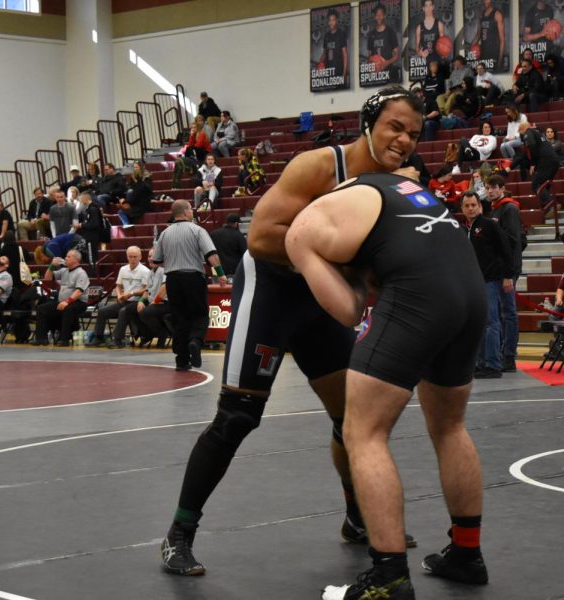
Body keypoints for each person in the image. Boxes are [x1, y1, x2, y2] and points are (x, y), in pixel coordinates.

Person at [159, 86, 424, 577]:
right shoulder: (321, 166)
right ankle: (179, 533)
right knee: (237, 416)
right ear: (369, 123)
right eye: (395, 127)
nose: (405, 140)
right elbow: (260, 238)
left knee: (354, 419)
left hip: (320, 298)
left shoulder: (396, 183)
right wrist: (334, 259)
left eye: (413, 133)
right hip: (274, 289)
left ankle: (356, 515)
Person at [283, 173, 489, 600]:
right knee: (450, 426)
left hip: (421, 295)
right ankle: (467, 555)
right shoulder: (393, 188)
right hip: (470, 289)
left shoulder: (304, 227)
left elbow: (348, 311)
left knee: (364, 432)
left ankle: (388, 576)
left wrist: (352, 275)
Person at [152, 200, 226, 370]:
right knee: (200, 314)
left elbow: (156, 261)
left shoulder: (165, 233)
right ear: (186, 212)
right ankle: (195, 341)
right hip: (193, 278)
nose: (192, 212)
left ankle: (182, 360)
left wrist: (173, 262)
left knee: (179, 318)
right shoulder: (197, 230)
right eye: (191, 210)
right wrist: (221, 275)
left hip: (173, 280)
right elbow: (212, 255)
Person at [460, 191, 513, 379]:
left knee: (491, 322)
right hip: (475, 282)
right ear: (462, 208)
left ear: (480, 206)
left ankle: (493, 364)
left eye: (473, 205)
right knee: (480, 323)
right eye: (467, 205)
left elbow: (507, 248)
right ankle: (482, 363)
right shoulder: (466, 229)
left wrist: (508, 276)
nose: (470, 208)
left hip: (490, 279)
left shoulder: (489, 225)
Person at [485, 175, 523, 373]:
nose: (490, 191)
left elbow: (514, 241)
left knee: (508, 312)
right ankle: (502, 351)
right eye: (487, 187)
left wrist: (510, 271)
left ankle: (509, 355)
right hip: (498, 267)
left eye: (493, 187)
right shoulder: (496, 208)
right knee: (501, 312)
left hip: (507, 268)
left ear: (502, 188)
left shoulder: (509, 209)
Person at [86, 246, 150, 348]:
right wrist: (120, 295)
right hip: (125, 300)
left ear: (140, 257)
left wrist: (131, 293)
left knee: (123, 311)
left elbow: (146, 289)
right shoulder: (123, 269)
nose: (132, 259)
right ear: (127, 257)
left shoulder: (145, 271)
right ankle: (98, 337)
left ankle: (117, 339)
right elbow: (118, 286)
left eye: (135, 257)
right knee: (102, 311)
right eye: (130, 257)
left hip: (137, 302)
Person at [31, 249, 90, 347]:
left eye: (68, 257)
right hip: (63, 301)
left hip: (78, 302)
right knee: (42, 308)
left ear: (75, 260)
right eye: (66, 256)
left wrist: (67, 301)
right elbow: (47, 278)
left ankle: (64, 339)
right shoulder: (64, 271)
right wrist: (52, 266)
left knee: (68, 309)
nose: (65, 258)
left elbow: (79, 291)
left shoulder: (81, 273)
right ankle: (41, 338)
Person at [137, 248, 171, 348]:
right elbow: (147, 290)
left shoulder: (165, 269)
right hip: (155, 303)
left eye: (153, 256)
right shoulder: (151, 272)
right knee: (131, 309)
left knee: (145, 312)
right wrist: (141, 301)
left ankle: (161, 333)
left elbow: (165, 287)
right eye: (149, 256)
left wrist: (155, 302)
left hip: (167, 303)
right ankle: (146, 334)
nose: (151, 259)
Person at [367, 3, 400, 80]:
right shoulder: (371, 35)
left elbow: (396, 56)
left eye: (381, 14)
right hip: (377, 75)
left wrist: (385, 63)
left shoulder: (390, 32)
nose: (379, 17)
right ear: (374, 16)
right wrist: (374, 64)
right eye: (377, 14)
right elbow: (369, 58)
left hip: (389, 72)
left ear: (384, 15)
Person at [209, 213, 247, 277]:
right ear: (236, 223)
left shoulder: (213, 234)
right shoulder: (238, 235)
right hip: (234, 271)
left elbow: (208, 252)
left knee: (216, 287)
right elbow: (245, 253)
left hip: (217, 270)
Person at [471, 0, 505, 71]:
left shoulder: (497, 14)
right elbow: (478, 35)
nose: (485, 1)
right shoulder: (482, 14)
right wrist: (471, 48)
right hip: (483, 52)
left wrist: (500, 59)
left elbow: (502, 39)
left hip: (494, 52)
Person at [118, 160, 153, 227]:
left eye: (136, 167)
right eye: (134, 167)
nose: (135, 169)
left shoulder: (142, 182)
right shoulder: (136, 183)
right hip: (138, 203)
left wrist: (126, 201)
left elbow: (136, 196)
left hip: (141, 205)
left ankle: (127, 225)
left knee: (121, 212)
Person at [320, 9, 349, 83]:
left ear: (337, 20)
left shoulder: (341, 34)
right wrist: (319, 64)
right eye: (330, 20)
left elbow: (345, 55)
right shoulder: (326, 36)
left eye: (333, 20)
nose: (331, 22)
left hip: (339, 72)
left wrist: (344, 74)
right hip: (329, 72)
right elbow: (324, 54)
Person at [420, 61, 445, 140]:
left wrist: (425, 117)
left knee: (427, 124)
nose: (433, 68)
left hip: (433, 121)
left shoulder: (440, 76)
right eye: (431, 67)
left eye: (435, 66)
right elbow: (425, 88)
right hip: (430, 95)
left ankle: (428, 142)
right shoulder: (427, 77)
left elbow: (436, 112)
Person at [77, 191, 103, 265]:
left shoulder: (93, 209)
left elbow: (94, 224)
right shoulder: (89, 209)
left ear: (86, 198)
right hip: (90, 237)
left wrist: (82, 225)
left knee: (92, 258)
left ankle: (94, 273)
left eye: (81, 199)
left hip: (92, 237)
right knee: (92, 256)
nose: (80, 201)